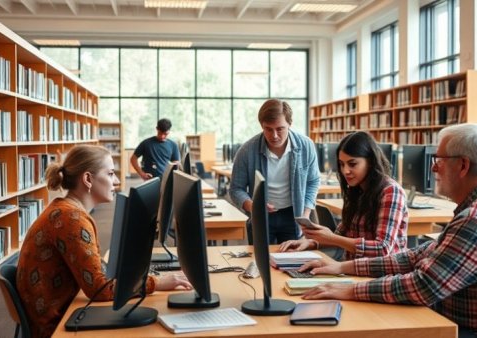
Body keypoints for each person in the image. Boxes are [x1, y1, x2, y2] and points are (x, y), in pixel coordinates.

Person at [299, 123, 477, 337]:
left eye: (438, 160)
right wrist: (343, 267)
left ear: (463, 165)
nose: (433, 168)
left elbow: (422, 287)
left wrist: (350, 289)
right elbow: (419, 255)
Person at [16, 145, 191, 338]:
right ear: (88, 179)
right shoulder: (71, 219)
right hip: (56, 328)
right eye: (110, 174)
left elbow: (95, 271)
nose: (116, 181)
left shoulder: (68, 211)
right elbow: (99, 289)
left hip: (63, 313)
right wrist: (155, 283)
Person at [279, 131, 408, 260]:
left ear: (370, 162)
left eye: (352, 164)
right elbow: (341, 235)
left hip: (382, 275)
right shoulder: (356, 190)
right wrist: (311, 242)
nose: (345, 171)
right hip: (351, 270)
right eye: (341, 164)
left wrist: (331, 238)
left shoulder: (391, 191)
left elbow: (382, 249)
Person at [230, 99, 320, 244]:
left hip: (294, 214)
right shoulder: (246, 151)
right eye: (268, 129)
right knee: (262, 262)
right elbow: (236, 189)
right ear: (262, 126)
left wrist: (305, 213)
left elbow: (313, 181)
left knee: (293, 261)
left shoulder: (306, 146)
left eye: (280, 129)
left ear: (289, 124)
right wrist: (254, 207)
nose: (274, 135)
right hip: (261, 216)